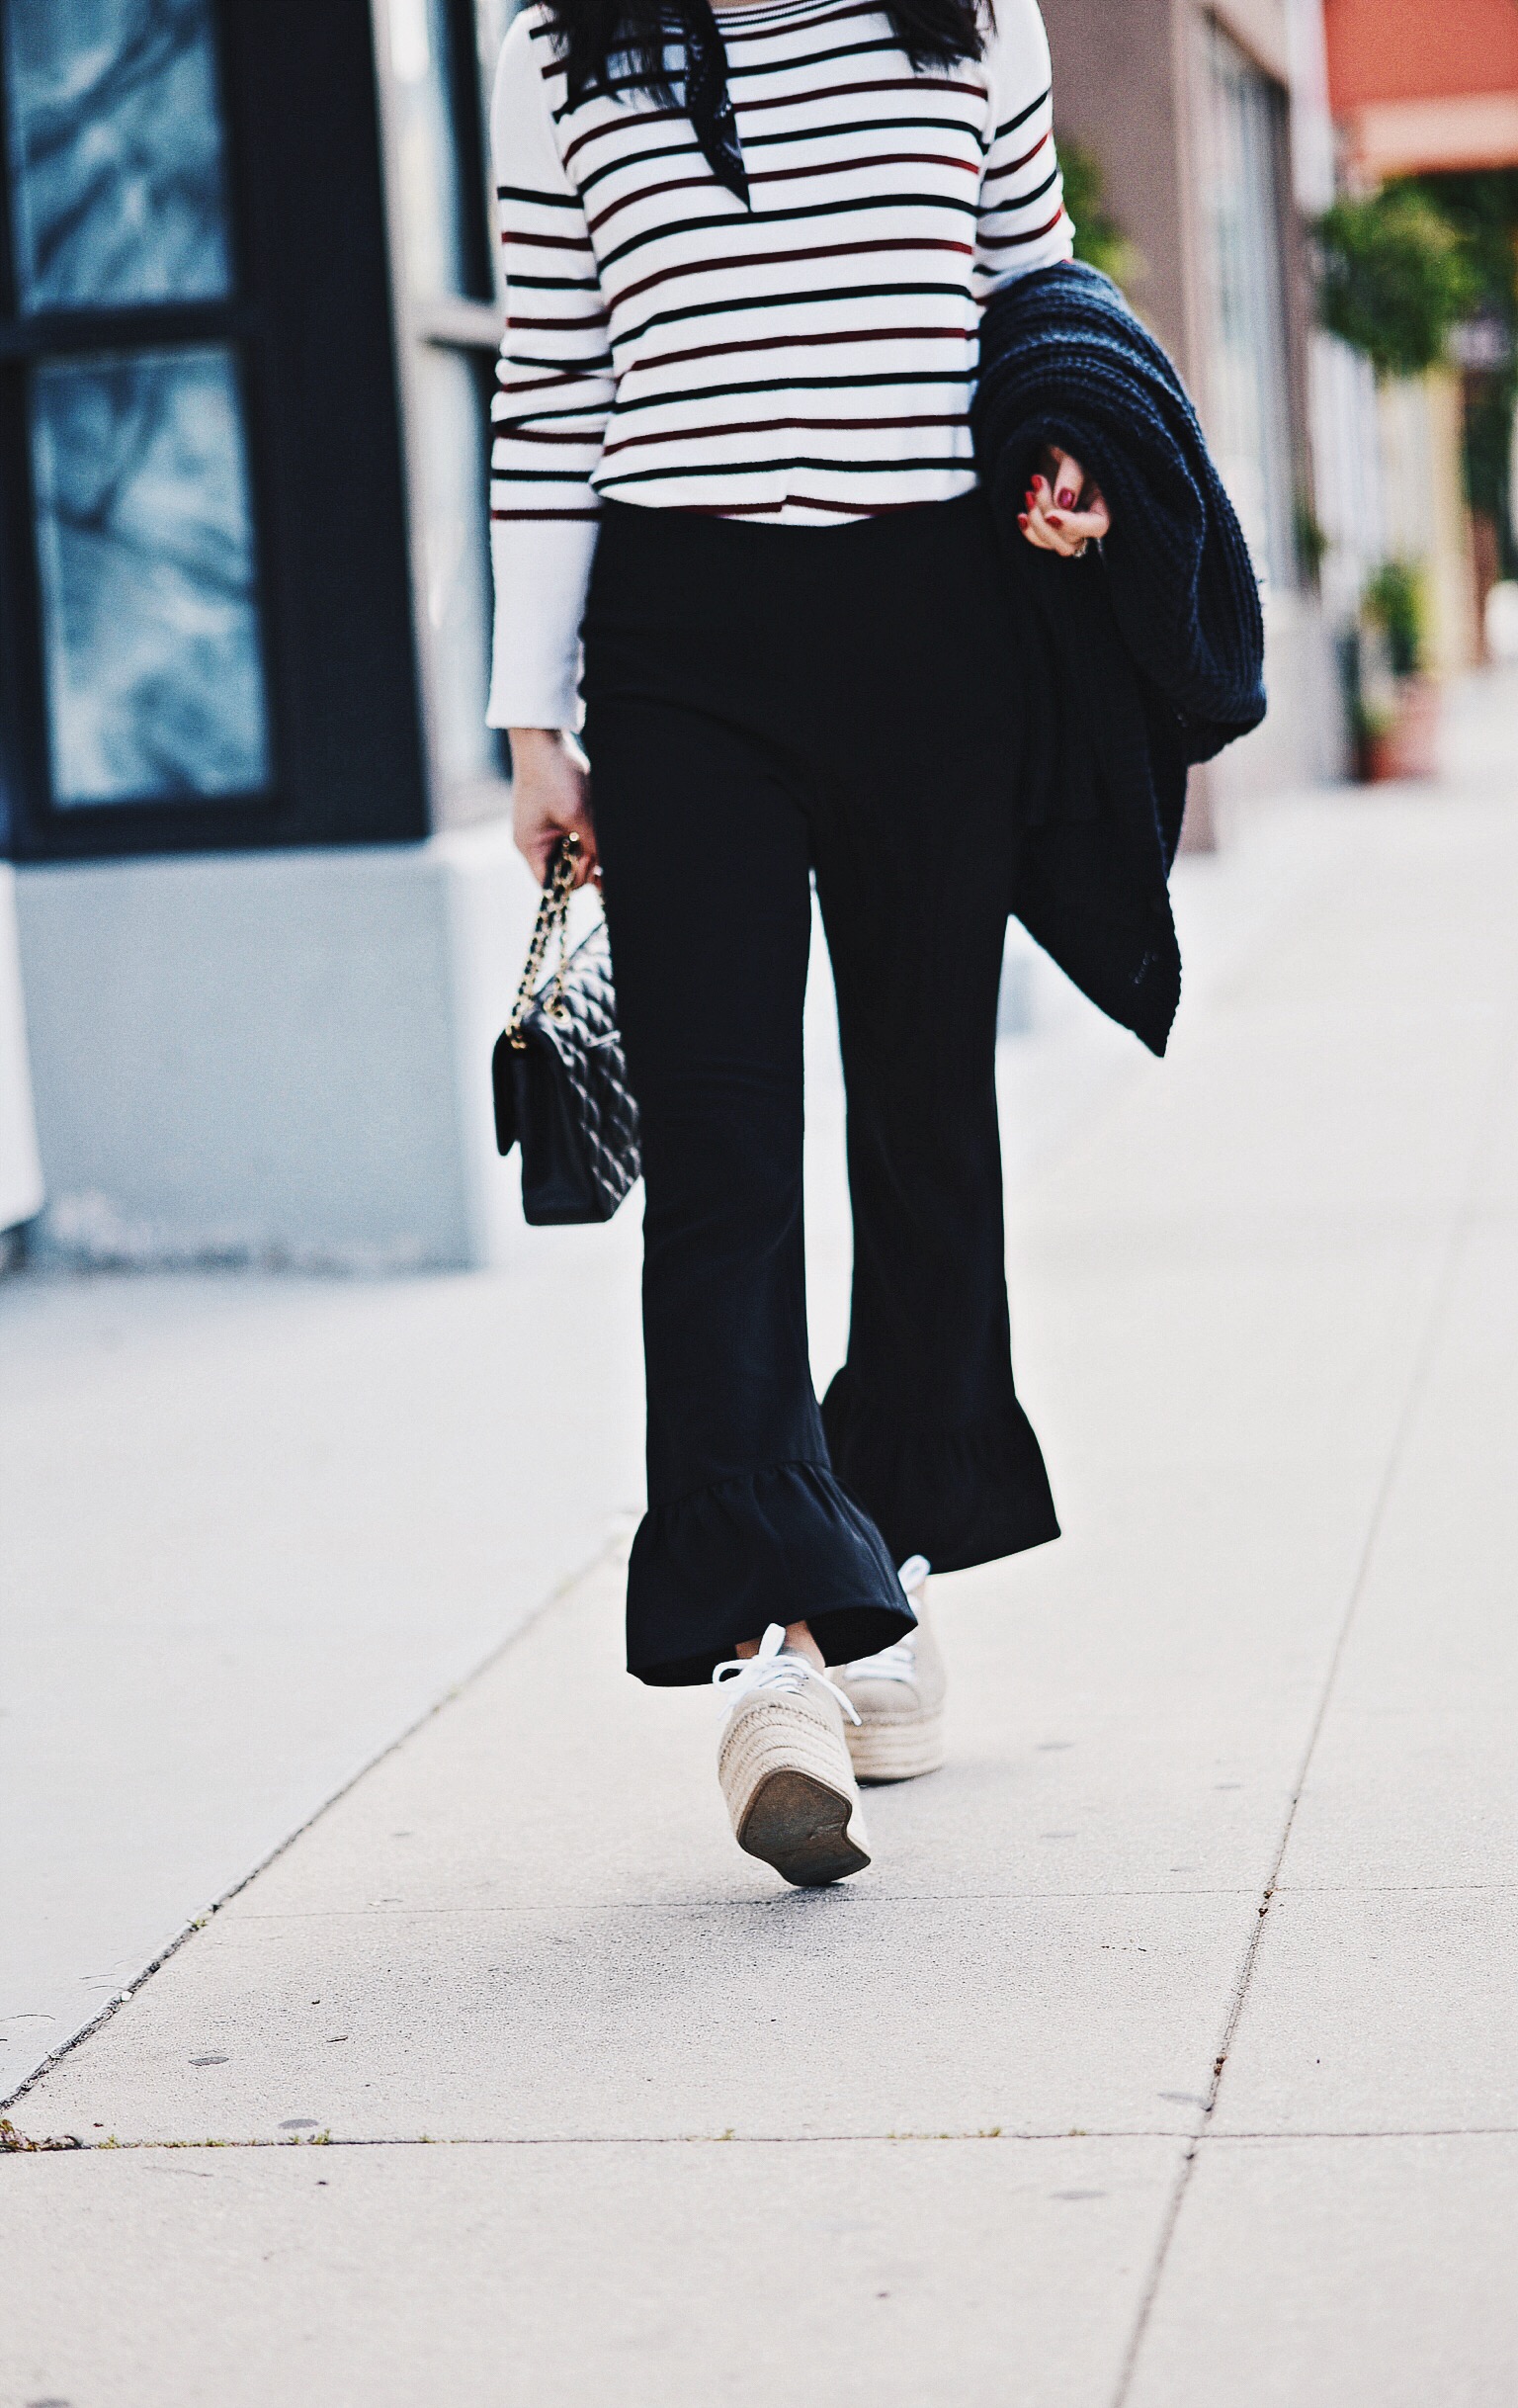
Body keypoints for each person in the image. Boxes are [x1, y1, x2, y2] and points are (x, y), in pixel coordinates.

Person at [487, 0, 1110, 1887]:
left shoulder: (970, 17)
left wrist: (1071, 469)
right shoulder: (561, 40)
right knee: (730, 1155)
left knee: (928, 1129)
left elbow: (1041, 306)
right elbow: (550, 373)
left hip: (934, 630)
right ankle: (770, 1646)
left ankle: (880, 1580)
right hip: (684, 657)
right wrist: (534, 719)